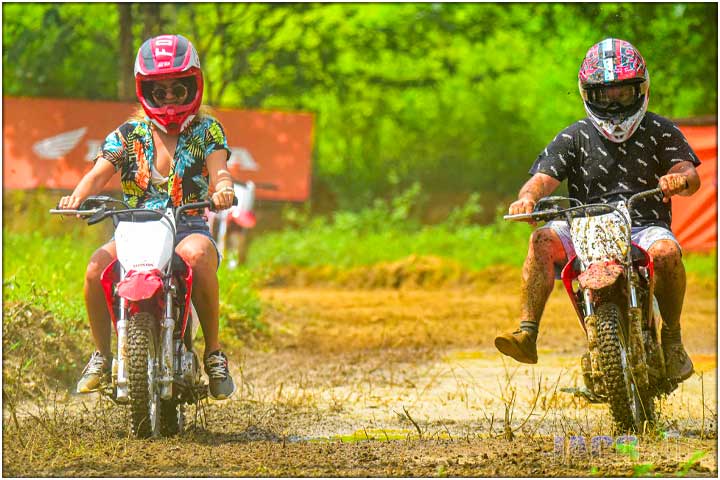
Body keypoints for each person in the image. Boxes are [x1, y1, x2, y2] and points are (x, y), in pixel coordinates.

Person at [494, 38, 700, 383]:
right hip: (584, 225)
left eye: (623, 92)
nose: (615, 102)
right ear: (588, 94)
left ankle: (673, 339)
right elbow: (541, 179)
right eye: (605, 94)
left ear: (641, 89)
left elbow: (689, 173)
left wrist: (676, 179)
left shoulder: (660, 129)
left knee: (667, 252)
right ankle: (527, 332)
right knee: (542, 239)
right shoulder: (574, 136)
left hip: (643, 225)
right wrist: (527, 199)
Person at [57, 34, 237, 399]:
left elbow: (220, 171)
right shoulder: (128, 134)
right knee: (95, 268)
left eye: (178, 89)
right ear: (146, 91)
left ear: (193, 86)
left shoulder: (206, 131)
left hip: (188, 225)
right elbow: (99, 173)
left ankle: (214, 353)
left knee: (199, 256)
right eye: (160, 90)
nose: (169, 98)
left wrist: (223, 190)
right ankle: (102, 355)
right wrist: (76, 196)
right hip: (135, 228)